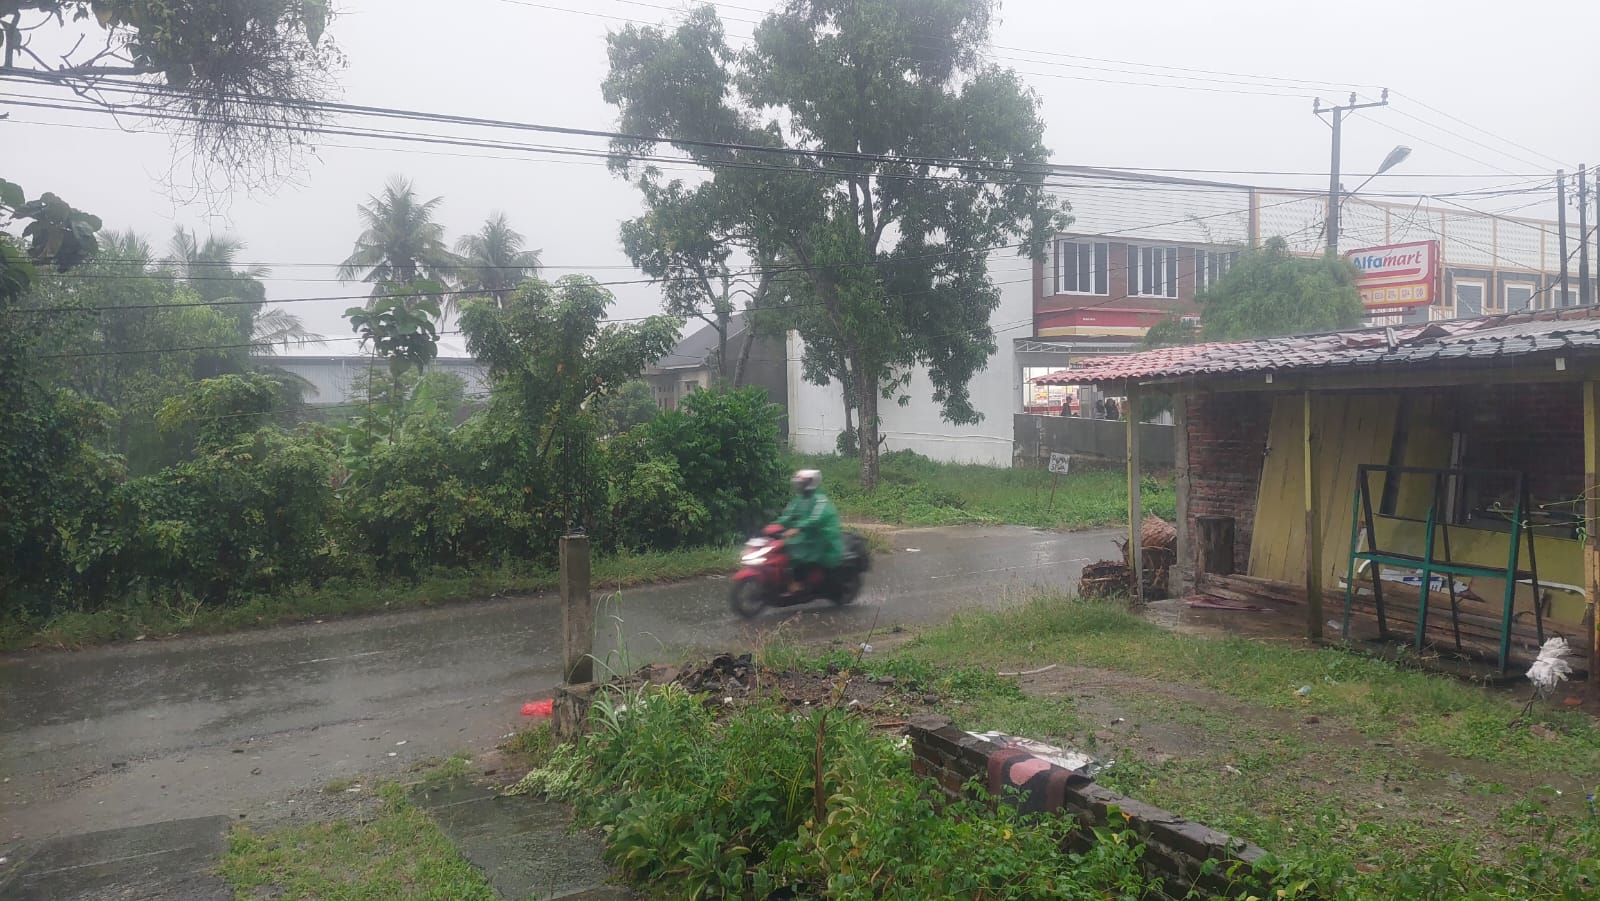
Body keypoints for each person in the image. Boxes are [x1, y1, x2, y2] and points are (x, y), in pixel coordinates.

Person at [776, 469, 843, 591]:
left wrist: (798, 528)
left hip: (821, 536)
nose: (799, 486)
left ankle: (800, 582)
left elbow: (816, 519)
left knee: (798, 551)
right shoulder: (799, 499)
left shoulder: (820, 499)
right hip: (806, 535)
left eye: (802, 483)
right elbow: (788, 516)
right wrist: (773, 526)